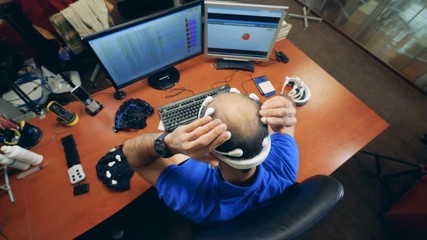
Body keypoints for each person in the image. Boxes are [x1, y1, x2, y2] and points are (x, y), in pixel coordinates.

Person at [122, 92, 298, 225]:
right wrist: (286, 103)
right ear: (266, 137)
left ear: (208, 152)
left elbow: (130, 153)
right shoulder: (285, 166)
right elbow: (287, 119)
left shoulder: (193, 199)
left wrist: (168, 143)